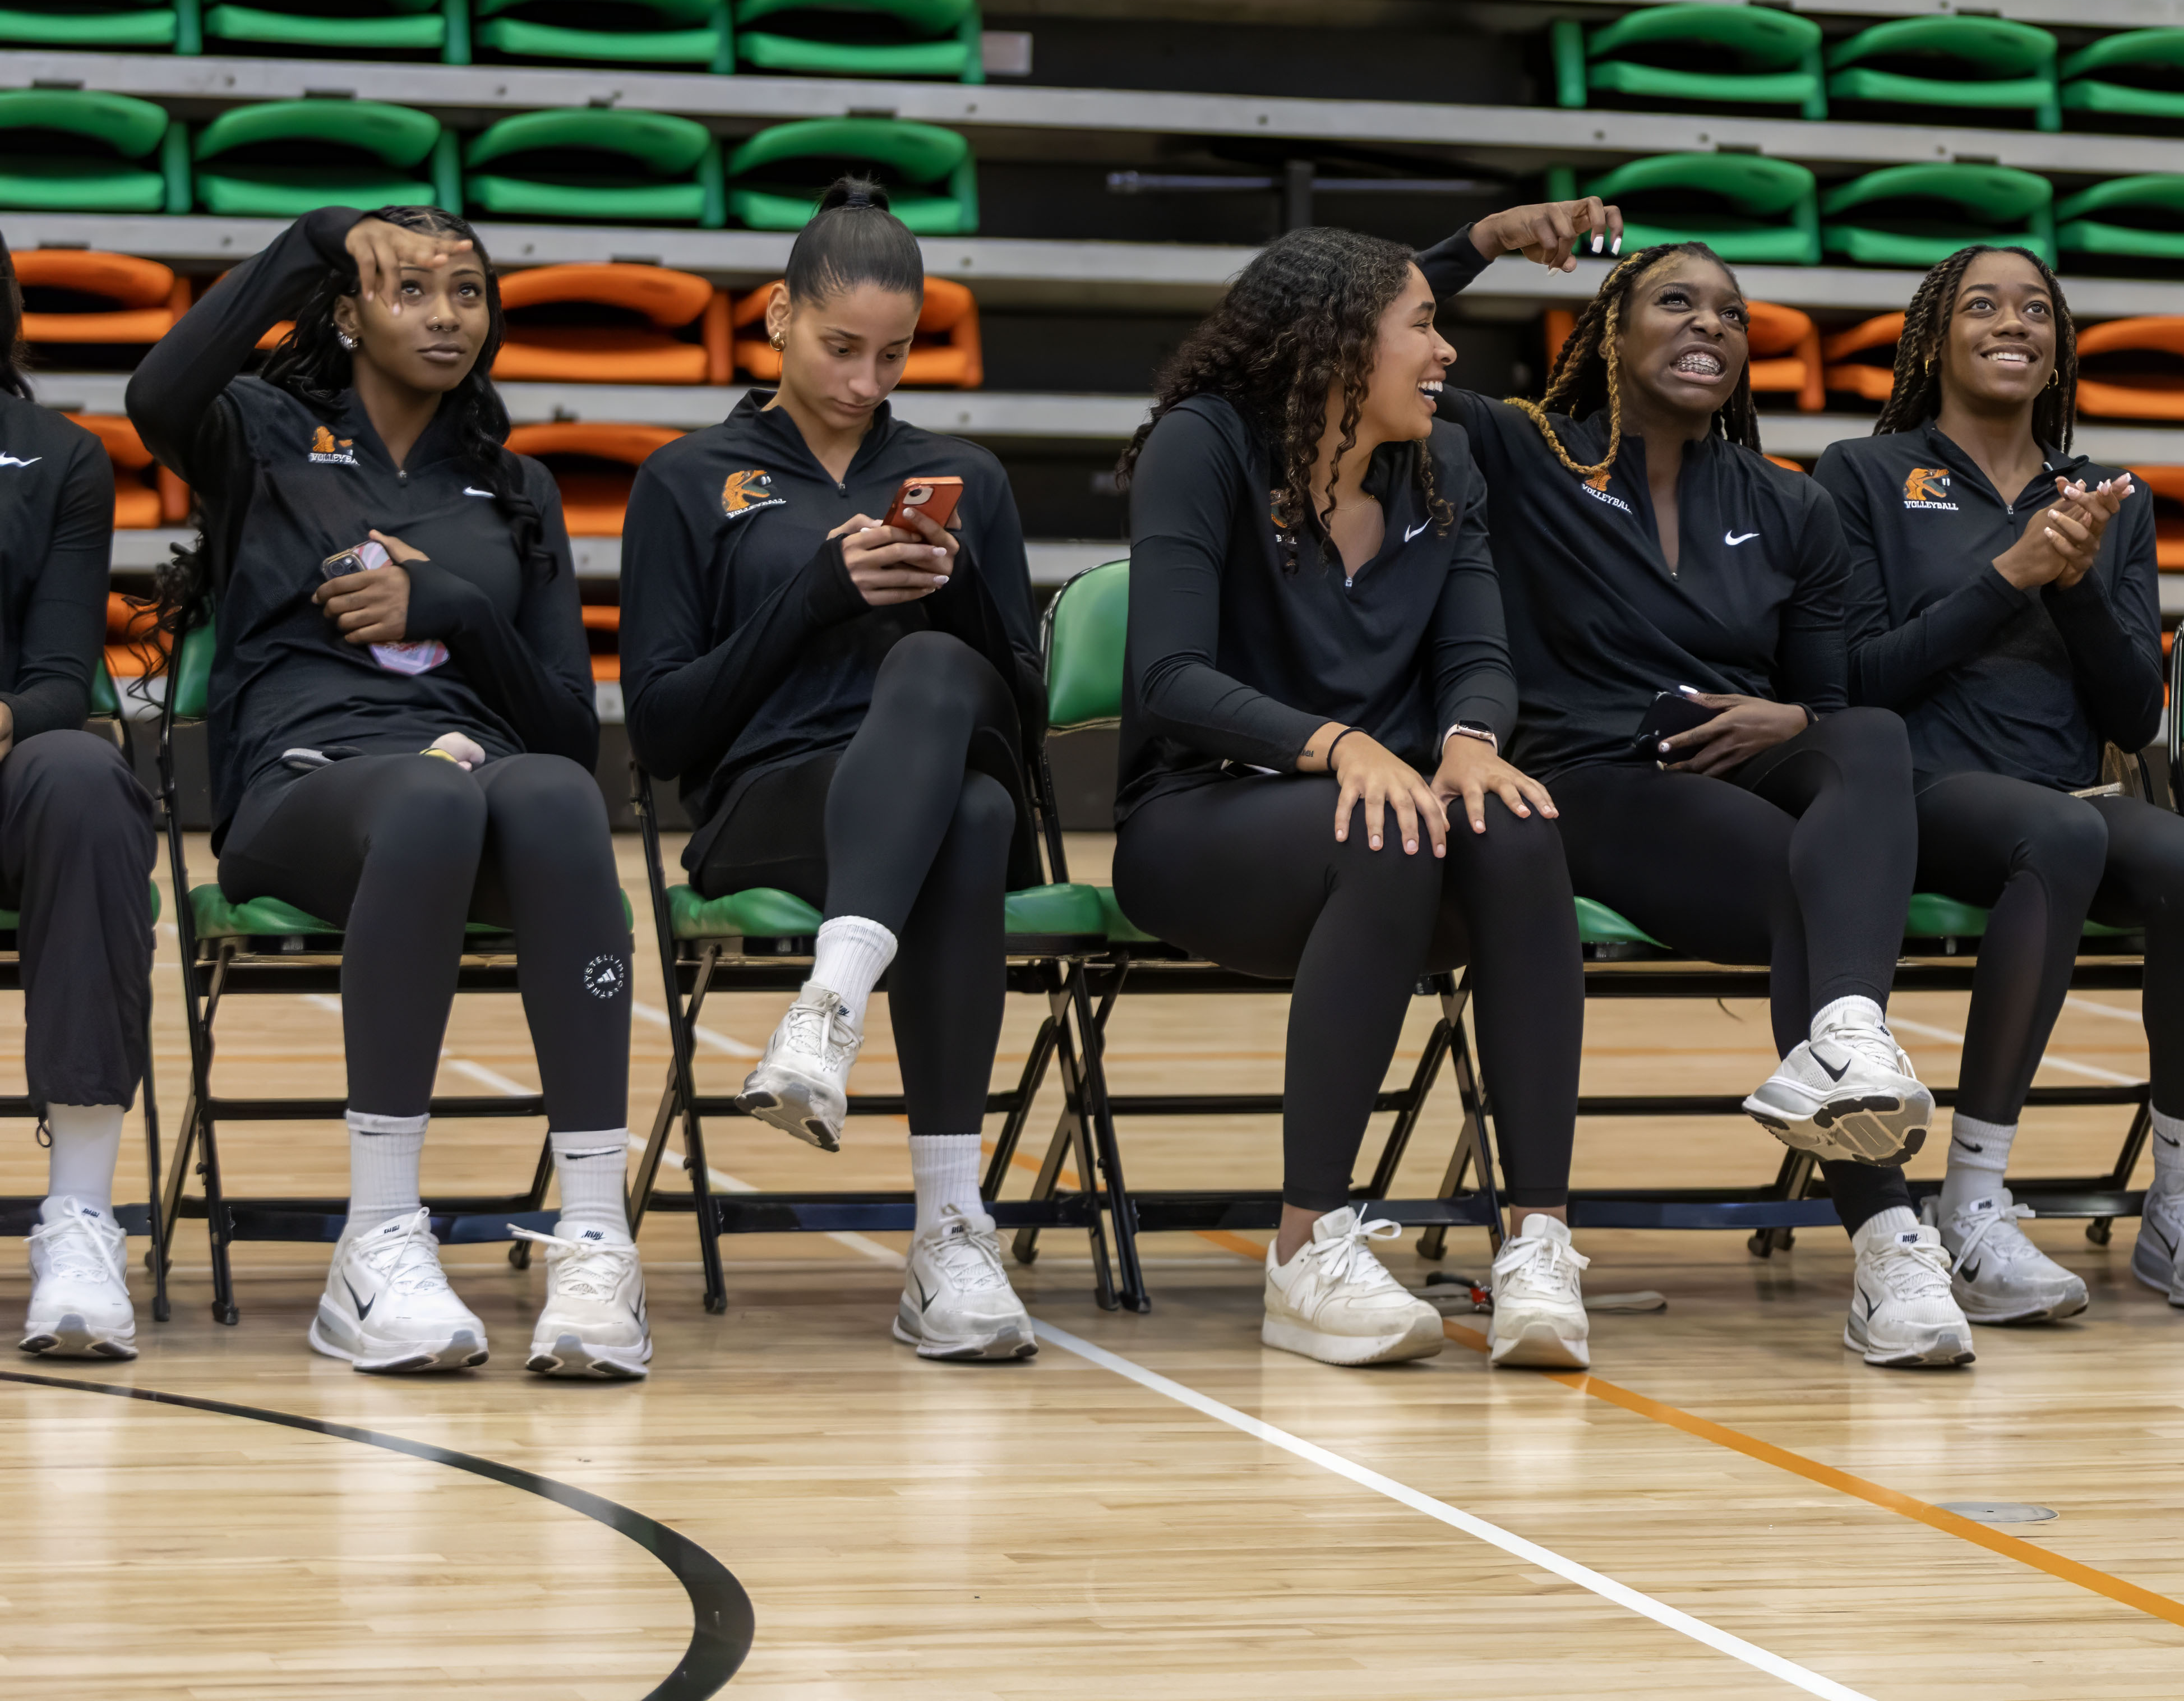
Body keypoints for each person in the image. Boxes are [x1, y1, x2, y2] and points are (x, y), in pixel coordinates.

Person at [1418, 201, 1970, 1370]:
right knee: (1793, 883)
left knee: (1865, 731)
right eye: (1677, 300)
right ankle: (1888, 1238)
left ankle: (1850, 1038)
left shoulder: (1790, 502)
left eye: (1731, 313)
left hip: (1741, 757)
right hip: (1590, 776)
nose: (1710, 323)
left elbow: (1825, 695)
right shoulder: (1525, 448)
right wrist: (1487, 242)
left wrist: (1795, 715)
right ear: (1609, 330)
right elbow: (1348, 334)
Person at [130, 205, 645, 1379]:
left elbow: (567, 725)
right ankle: (377, 1237)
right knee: (431, 798)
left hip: (475, 780)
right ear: (350, 309)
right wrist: (315, 238)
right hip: (303, 790)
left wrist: (458, 610)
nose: (447, 314)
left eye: (468, 291)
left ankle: (597, 1233)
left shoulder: (516, 488)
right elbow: (158, 395)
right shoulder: (261, 431)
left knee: (557, 795)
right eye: (411, 289)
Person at [1115, 224, 1589, 1370]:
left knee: (1516, 821)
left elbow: (1480, 648)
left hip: (1390, 833)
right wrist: (1338, 746)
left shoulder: (1445, 464)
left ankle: (1536, 1242)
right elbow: (1168, 679)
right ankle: (1307, 1245)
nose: (1447, 353)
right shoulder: (1205, 445)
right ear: (1334, 350)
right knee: (1380, 827)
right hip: (1199, 822)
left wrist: (1471, 740)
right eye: (1422, 326)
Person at [622, 179, 1045, 1361]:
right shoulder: (684, 477)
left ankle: (827, 1009)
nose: (868, 380)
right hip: (776, 799)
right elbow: (660, 730)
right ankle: (951, 1228)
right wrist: (813, 593)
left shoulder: (969, 473)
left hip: (953, 779)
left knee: (941, 705)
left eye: (894, 354)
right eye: (840, 346)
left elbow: (1025, 700)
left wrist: (951, 585)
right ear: (776, 316)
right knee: (960, 817)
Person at [1818, 245, 2184, 1320]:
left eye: (2036, 310)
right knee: (2057, 839)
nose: (2012, 323)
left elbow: (2128, 717)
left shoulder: (2106, 497)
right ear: (1935, 337)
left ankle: (2181, 1195)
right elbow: (1851, 679)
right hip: (1916, 794)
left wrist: (2072, 586)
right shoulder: (1863, 474)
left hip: (2066, 805)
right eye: (1983, 306)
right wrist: (2009, 575)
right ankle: (1972, 1208)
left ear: (2061, 349)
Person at [3, 256, 159, 1360]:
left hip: (5, 762)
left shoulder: (57, 455)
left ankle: (79, 1214)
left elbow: (60, 676)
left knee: (86, 775)